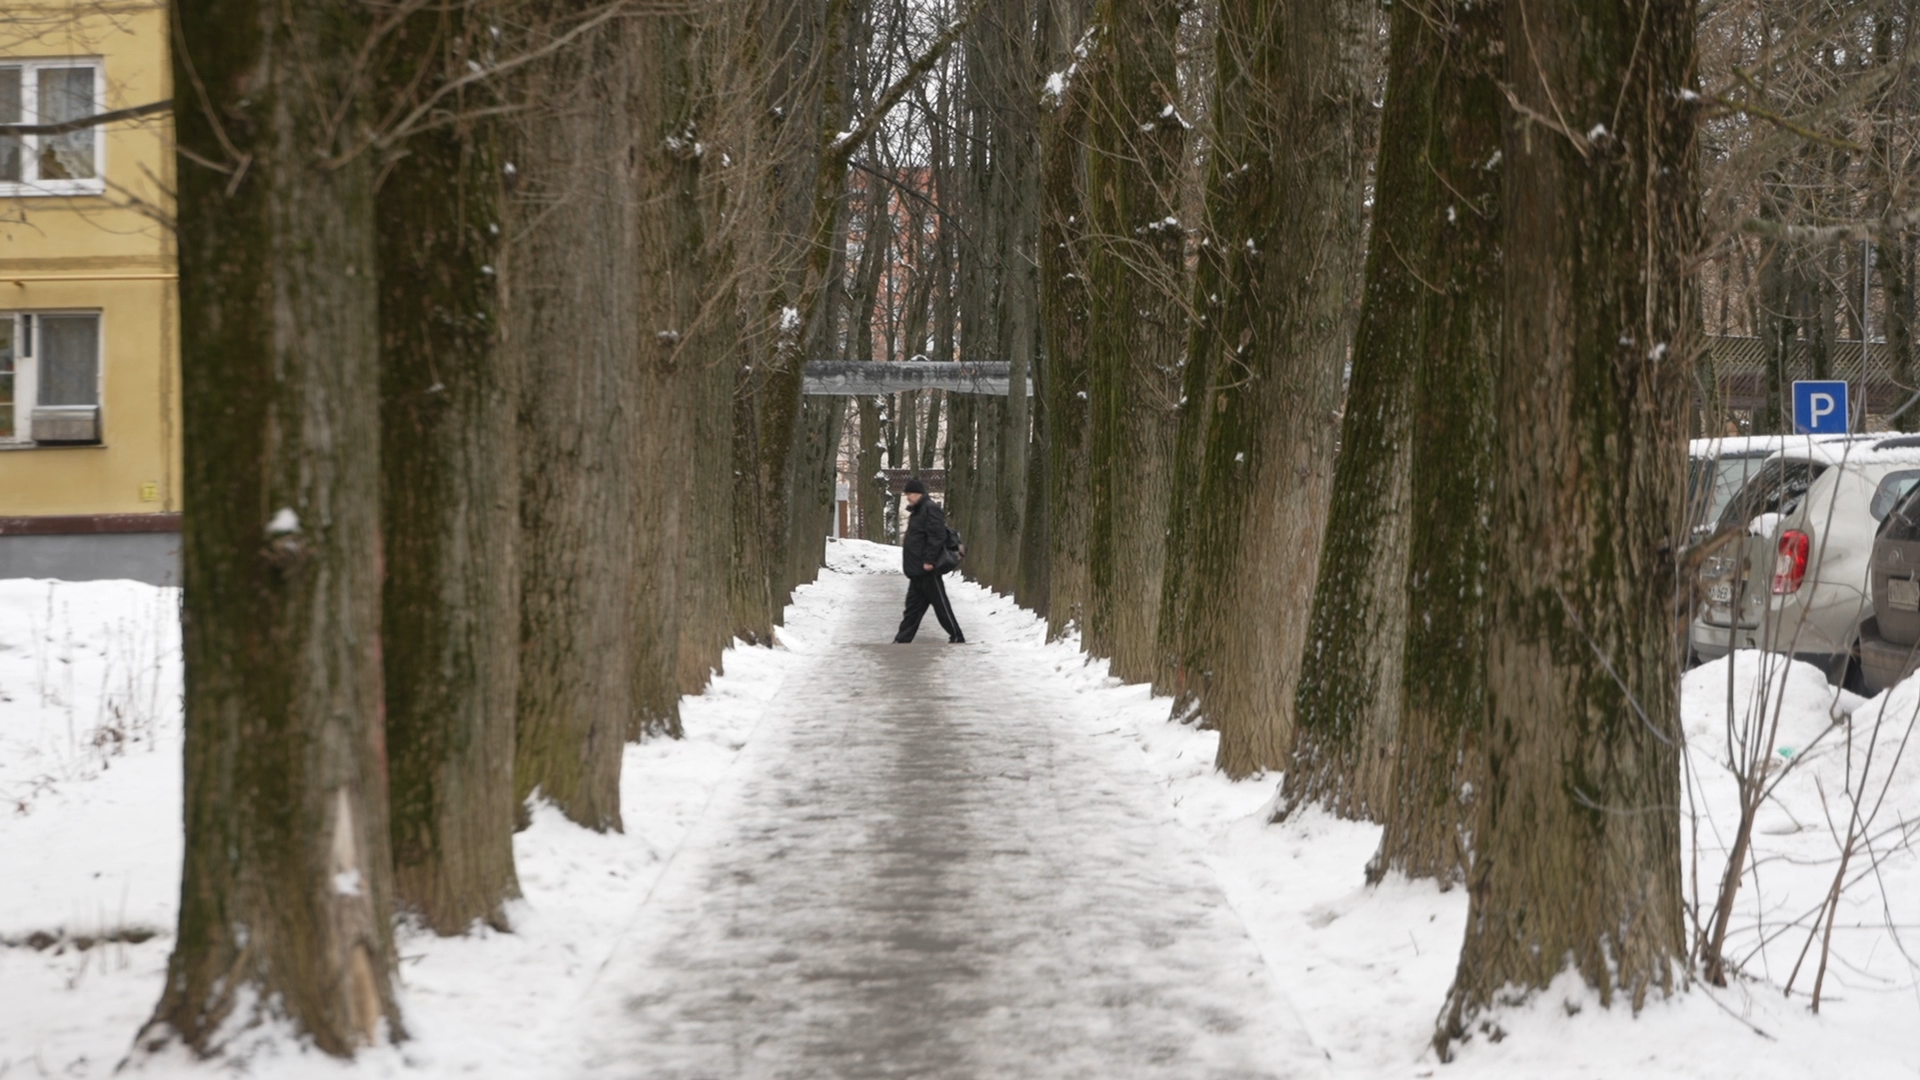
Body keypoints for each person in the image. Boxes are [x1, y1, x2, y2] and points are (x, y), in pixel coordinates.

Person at [895, 477, 965, 644]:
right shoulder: (919, 510)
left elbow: (937, 536)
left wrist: (929, 561)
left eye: (910, 494)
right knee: (912, 609)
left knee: (941, 606)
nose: (908, 497)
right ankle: (902, 640)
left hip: (927, 569)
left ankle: (957, 636)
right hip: (917, 570)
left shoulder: (930, 509)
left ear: (919, 493)